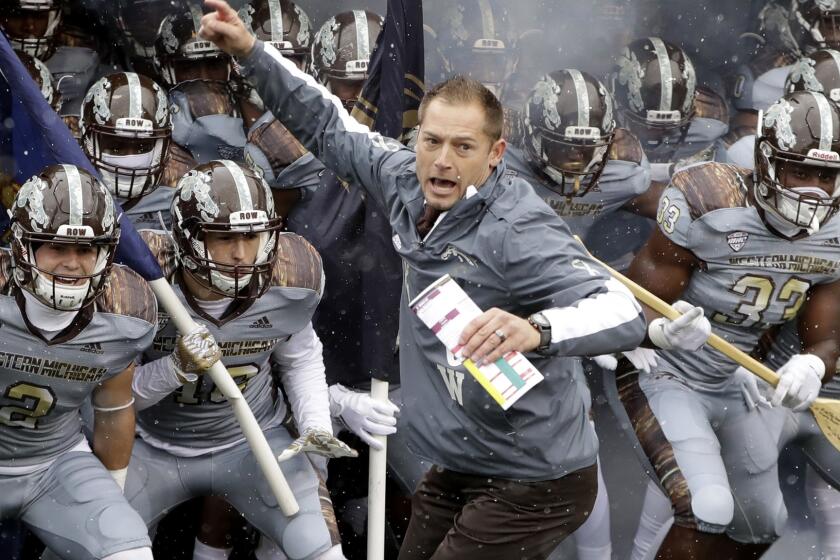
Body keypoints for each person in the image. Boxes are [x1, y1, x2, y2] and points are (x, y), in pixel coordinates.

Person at [197, 3, 647, 558]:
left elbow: (624, 309)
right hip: (462, 460)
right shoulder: (404, 178)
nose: (441, 161)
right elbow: (326, 123)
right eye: (432, 141)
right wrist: (249, 50)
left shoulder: (517, 227)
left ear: (496, 153)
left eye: (464, 147)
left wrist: (537, 329)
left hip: (537, 478)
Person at [622, 90, 840, 559]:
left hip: (735, 378)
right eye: (800, 171)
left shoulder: (835, 230)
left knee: (763, 522)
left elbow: (826, 337)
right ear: (765, 161)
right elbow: (633, 307)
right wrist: (660, 330)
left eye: (827, 177)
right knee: (709, 506)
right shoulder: (708, 198)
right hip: (665, 369)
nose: (813, 191)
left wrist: (813, 367)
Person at [125, 159, 354, 560]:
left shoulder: (290, 277)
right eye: (223, 237)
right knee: (108, 548)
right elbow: (110, 399)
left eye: (253, 237)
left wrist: (314, 425)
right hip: (151, 447)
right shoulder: (142, 278)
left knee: (323, 552)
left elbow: (300, 359)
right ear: (187, 237)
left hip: (252, 442)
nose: (241, 254)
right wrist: (172, 369)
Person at [0, 164, 156, 559]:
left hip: (54, 464)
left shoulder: (125, 313)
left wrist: (110, 503)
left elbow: (115, 409)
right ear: (23, 246)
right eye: (57, 247)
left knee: (128, 552)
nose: (72, 263)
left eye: (85, 249)